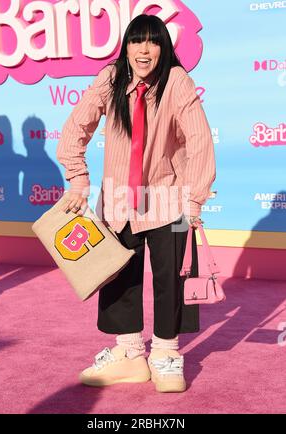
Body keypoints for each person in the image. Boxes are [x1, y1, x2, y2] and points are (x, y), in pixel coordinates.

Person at [56, 14, 215, 393]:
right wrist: (78, 178)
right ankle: (128, 353)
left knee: (171, 279)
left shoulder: (177, 81)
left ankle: (165, 353)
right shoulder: (111, 78)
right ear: (126, 47)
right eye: (136, 41)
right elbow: (76, 126)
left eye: (153, 42)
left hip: (170, 199)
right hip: (118, 199)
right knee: (118, 275)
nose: (144, 50)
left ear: (164, 48)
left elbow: (200, 142)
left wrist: (194, 200)